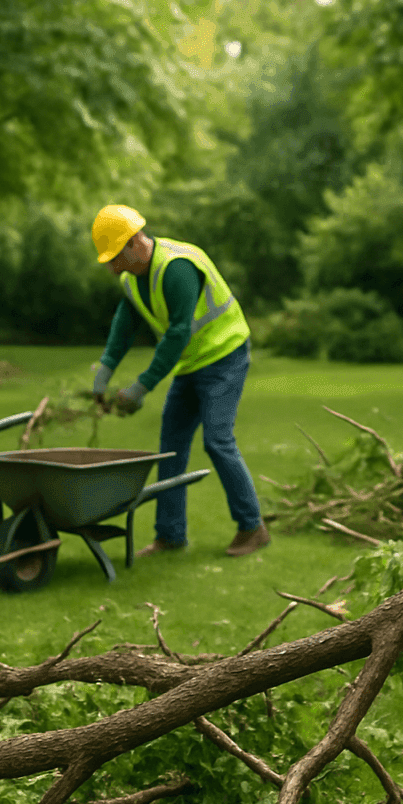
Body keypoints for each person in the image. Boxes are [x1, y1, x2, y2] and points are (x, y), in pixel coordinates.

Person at [89, 205, 269, 557]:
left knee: (218, 440)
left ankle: (253, 527)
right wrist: (104, 373)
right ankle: (170, 534)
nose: (112, 268)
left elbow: (177, 334)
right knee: (171, 446)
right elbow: (124, 327)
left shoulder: (177, 267)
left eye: (114, 258)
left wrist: (141, 387)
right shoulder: (131, 278)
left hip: (224, 355)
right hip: (191, 362)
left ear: (134, 243)